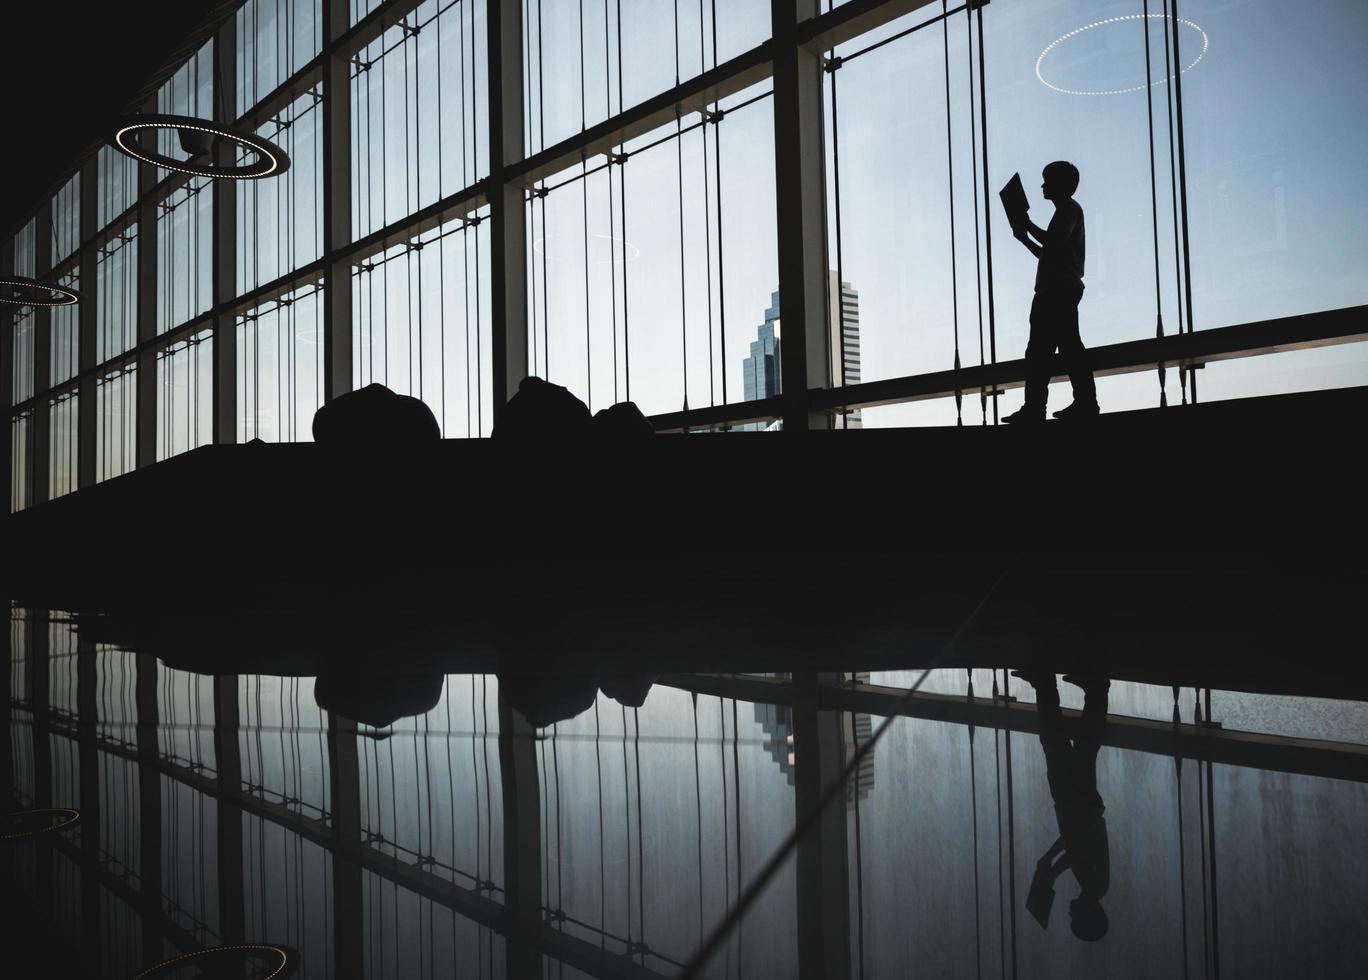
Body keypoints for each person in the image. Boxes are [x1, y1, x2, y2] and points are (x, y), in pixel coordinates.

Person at [1014, 669, 1111, 942]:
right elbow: (1077, 843)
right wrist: (1051, 869)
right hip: (1075, 802)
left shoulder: (1096, 886)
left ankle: (1090, 689)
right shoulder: (1092, 885)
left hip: (1081, 804)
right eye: (1075, 920)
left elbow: (1076, 843)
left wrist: (1052, 863)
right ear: (1088, 917)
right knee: (1059, 742)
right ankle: (1052, 684)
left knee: (1081, 745)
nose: (1070, 915)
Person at [1003, 161, 1099, 423]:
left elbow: (1052, 244)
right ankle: (1081, 403)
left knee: (1043, 352)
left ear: (1061, 185)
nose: (1043, 185)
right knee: (1061, 349)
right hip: (1059, 289)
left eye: (1047, 181)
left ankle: (1040, 408)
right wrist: (1025, 237)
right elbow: (1050, 254)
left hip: (1056, 291)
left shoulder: (1069, 210)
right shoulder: (1067, 212)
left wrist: (1027, 224)